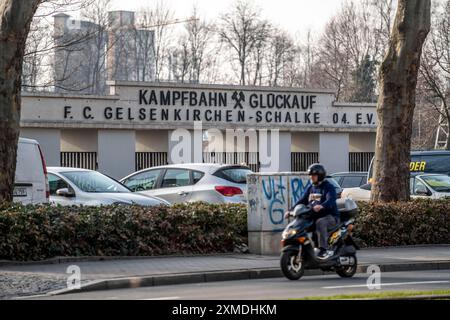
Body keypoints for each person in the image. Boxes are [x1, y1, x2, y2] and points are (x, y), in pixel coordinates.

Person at [285, 163, 340, 260]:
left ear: (320, 176)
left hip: (330, 217)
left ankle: (323, 249)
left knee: (320, 222)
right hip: (314, 216)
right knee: (303, 225)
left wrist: (322, 206)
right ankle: (308, 249)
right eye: (310, 175)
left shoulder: (328, 187)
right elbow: (302, 200)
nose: (311, 177)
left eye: (314, 175)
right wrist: (290, 210)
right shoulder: (311, 188)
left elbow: (331, 200)